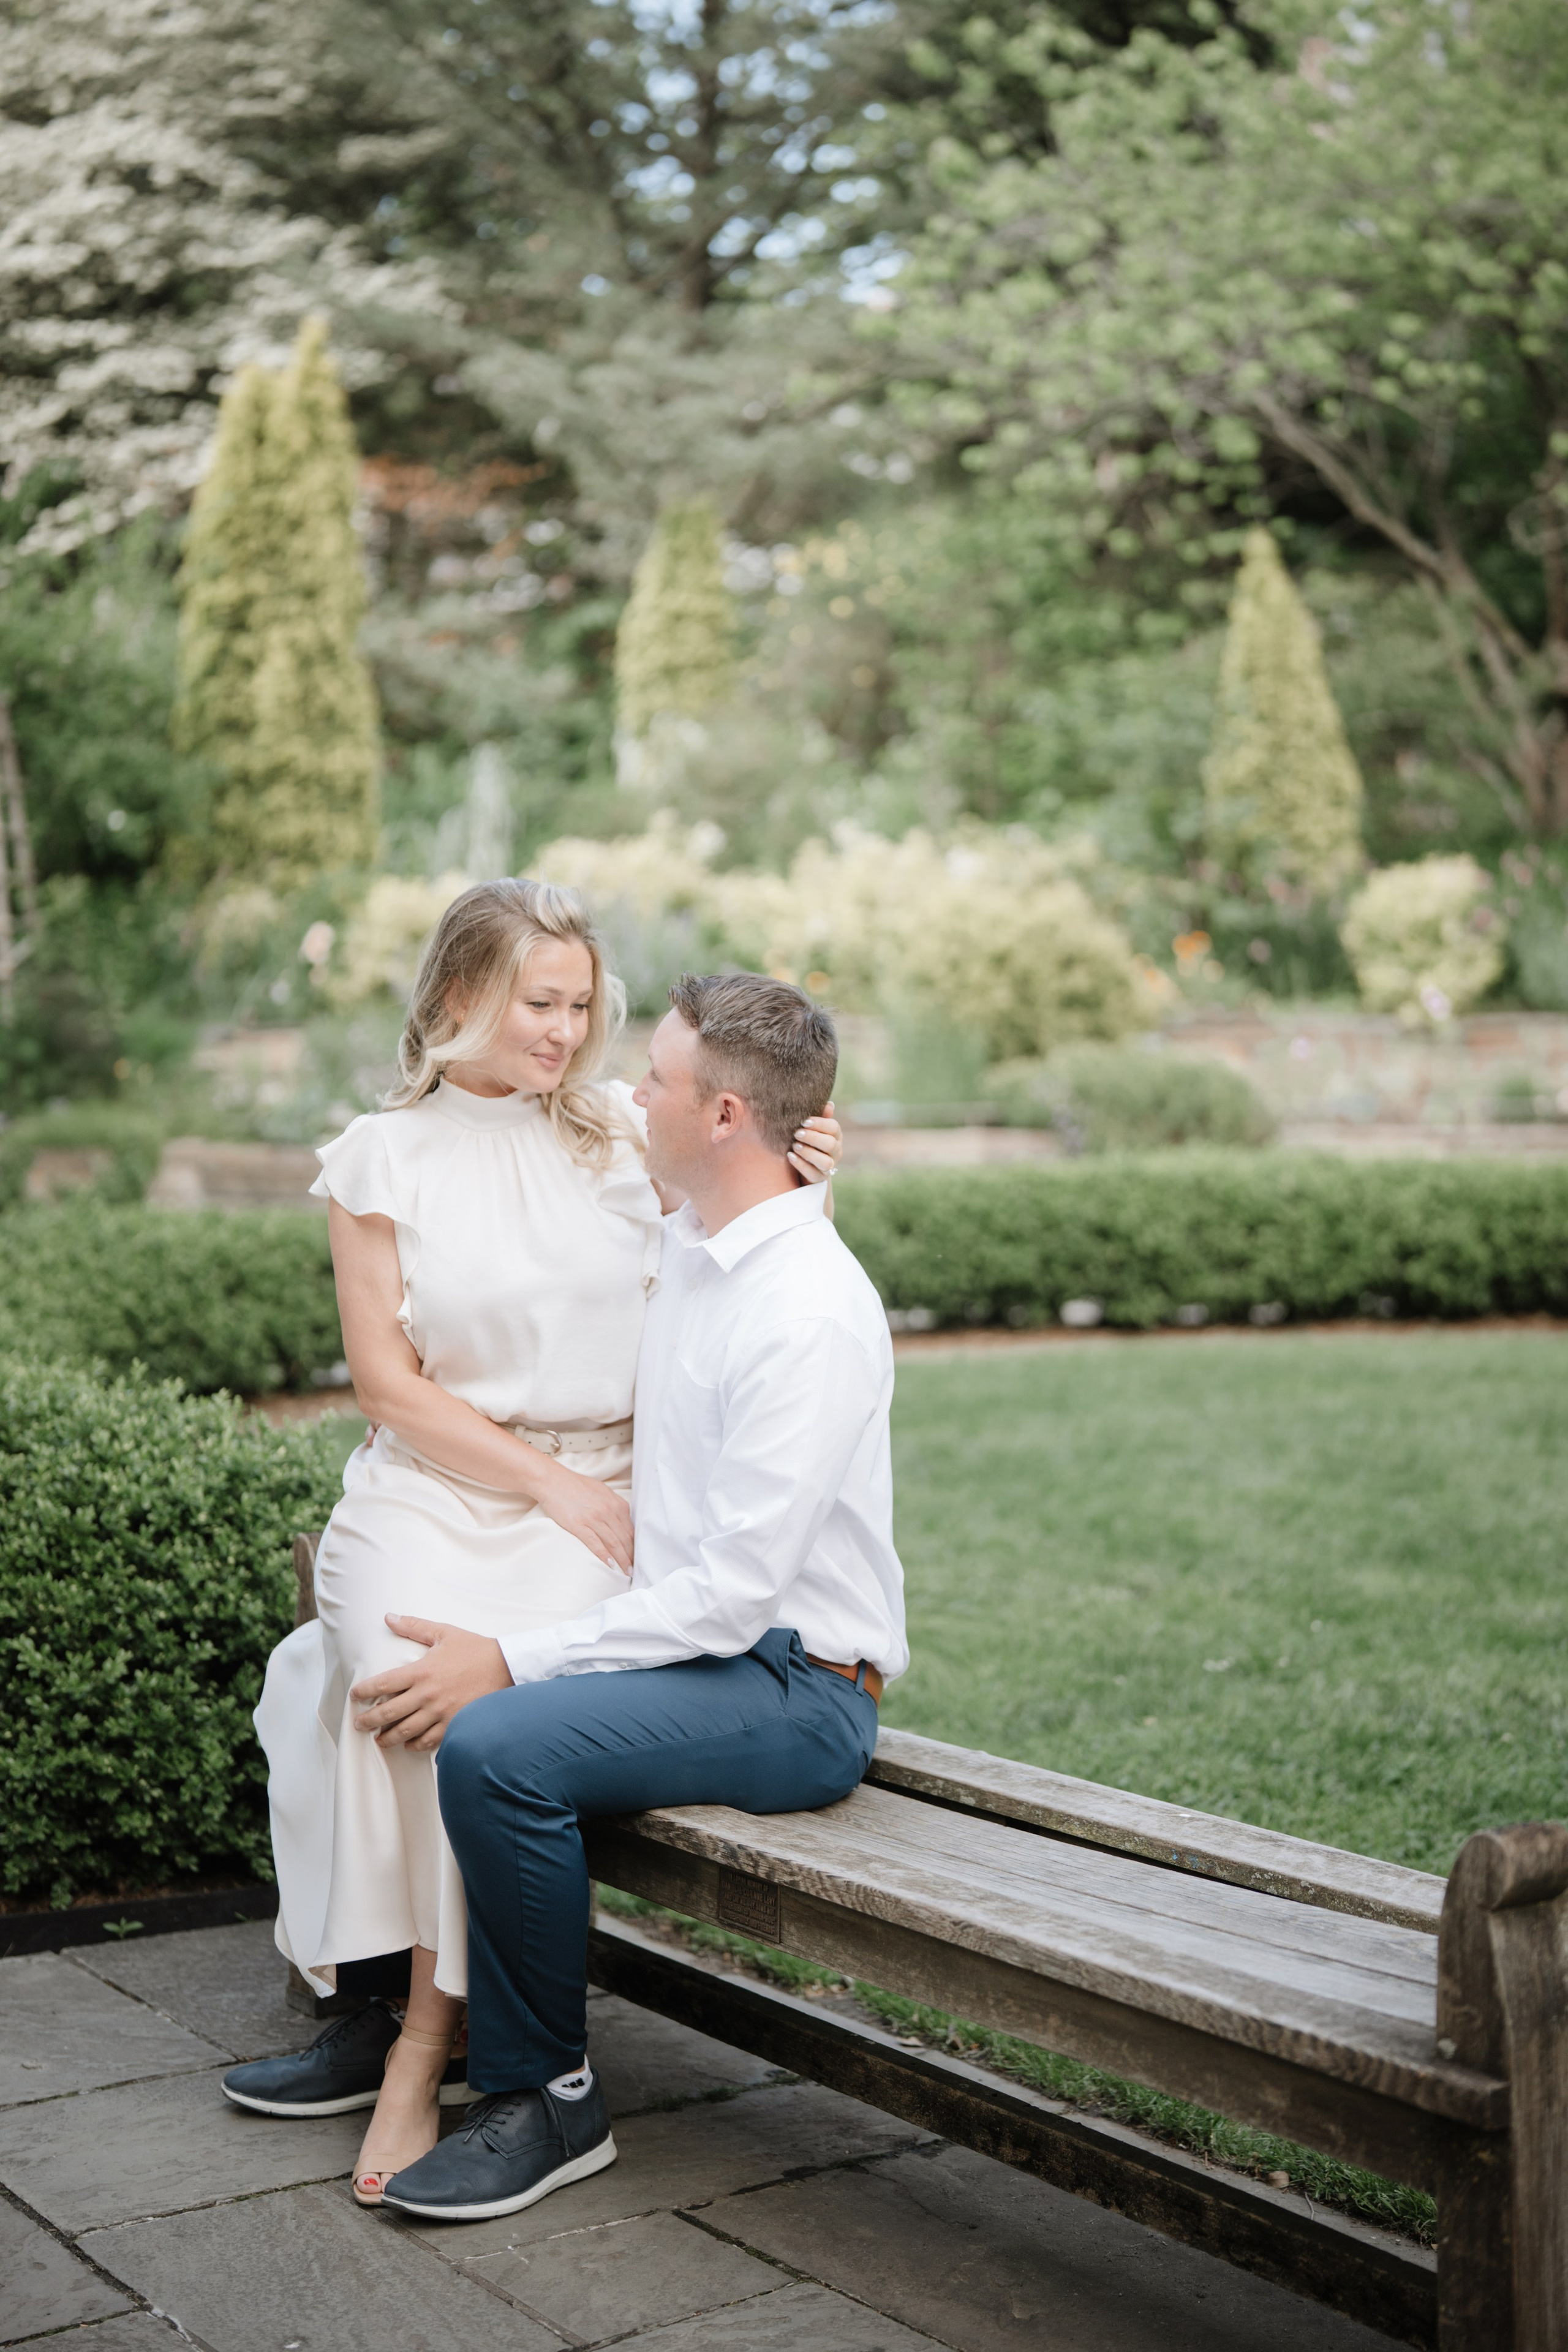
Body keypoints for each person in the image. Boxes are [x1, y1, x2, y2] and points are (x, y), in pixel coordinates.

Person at [219, 886, 840, 2206]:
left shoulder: (623, 1133)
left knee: (477, 1706)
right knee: (376, 1665)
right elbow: (386, 1386)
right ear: (456, 999)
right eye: (535, 1003)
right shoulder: (378, 1158)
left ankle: (424, 2046)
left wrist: (805, 1158)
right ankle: (382, 2007)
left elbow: (752, 1191)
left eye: (580, 1005)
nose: (565, 1033)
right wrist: (538, 1484)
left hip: (608, 1493)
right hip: (432, 1480)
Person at [345, 970, 908, 2225]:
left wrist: (511, 1655)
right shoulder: (692, 1245)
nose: (625, 1091)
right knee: (394, 1684)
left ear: (717, 1118)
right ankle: (381, 2018)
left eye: (653, 1078)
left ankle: (546, 2096)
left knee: (494, 1744)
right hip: (712, 1652)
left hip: (796, 1684)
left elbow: (725, 1602)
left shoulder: (806, 1312)